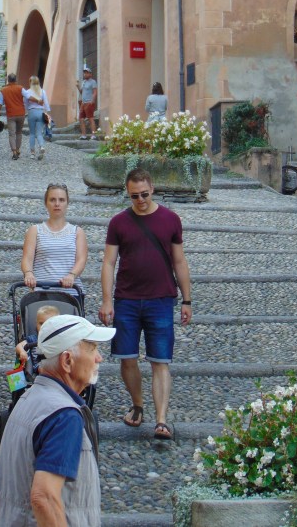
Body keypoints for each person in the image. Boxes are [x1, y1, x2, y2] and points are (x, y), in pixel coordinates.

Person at [0, 314, 115, 527]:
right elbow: (44, 497)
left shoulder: (30, 398)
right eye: (92, 349)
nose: (99, 358)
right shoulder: (64, 415)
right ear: (67, 361)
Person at [99, 168, 192, 441]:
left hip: (161, 299)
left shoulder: (170, 219)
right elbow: (108, 262)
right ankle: (138, 404)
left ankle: (161, 420)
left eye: (144, 194)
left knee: (160, 360)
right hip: (126, 299)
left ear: (152, 188)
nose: (140, 200)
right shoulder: (118, 223)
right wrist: (107, 300)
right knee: (126, 358)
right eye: (134, 196)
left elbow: (179, 261)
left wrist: (187, 299)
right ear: (127, 194)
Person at [21, 184, 87, 295]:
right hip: (42, 291)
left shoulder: (77, 232)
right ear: (46, 203)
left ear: (67, 203)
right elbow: (27, 258)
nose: (57, 204)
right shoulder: (35, 230)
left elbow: (81, 260)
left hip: (70, 292)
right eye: (52, 200)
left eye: (61, 200)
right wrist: (28, 273)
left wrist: (72, 275)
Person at [15, 304, 60, 372]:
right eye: (41, 323)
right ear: (36, 324)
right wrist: (22, 352)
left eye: (48, 324)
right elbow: (19, 346)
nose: (44, 327)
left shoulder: (59, 338)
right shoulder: (33, 339)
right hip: (40, 367)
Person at [0, 73, 26, 160]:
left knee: (11, 134)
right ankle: (18, 149)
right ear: (16, 80)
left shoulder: (4, 90)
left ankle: (14, 152)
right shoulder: (20, 88)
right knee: (19, 133)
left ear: (8, 80)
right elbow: (27, 97)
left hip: (11, 114)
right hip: (21, 113)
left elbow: (0, 103)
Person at [23, 75, 51, 160]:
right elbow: (46, 103)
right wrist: (47, 113)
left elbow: (25, 103)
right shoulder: (42, 91)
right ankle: (42, 146)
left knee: (32, 133)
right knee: (39, 133)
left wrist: (27, 111)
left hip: (31, 112)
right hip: (40, 112)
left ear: (30, 82)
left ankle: (32, 153)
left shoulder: (28, 92)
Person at [76, 66, 98, 140]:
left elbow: (95, 92)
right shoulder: (84, 82)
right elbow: (82, 92)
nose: (85, 74)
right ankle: (83, 135)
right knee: (81, 119)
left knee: (90, 118)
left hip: (89, 102)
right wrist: (78, 87)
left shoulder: (93, 82)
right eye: (84, 73)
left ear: (90, 74)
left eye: (86, 73)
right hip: (83, 103)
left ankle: (93, 135)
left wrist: (93, 101)